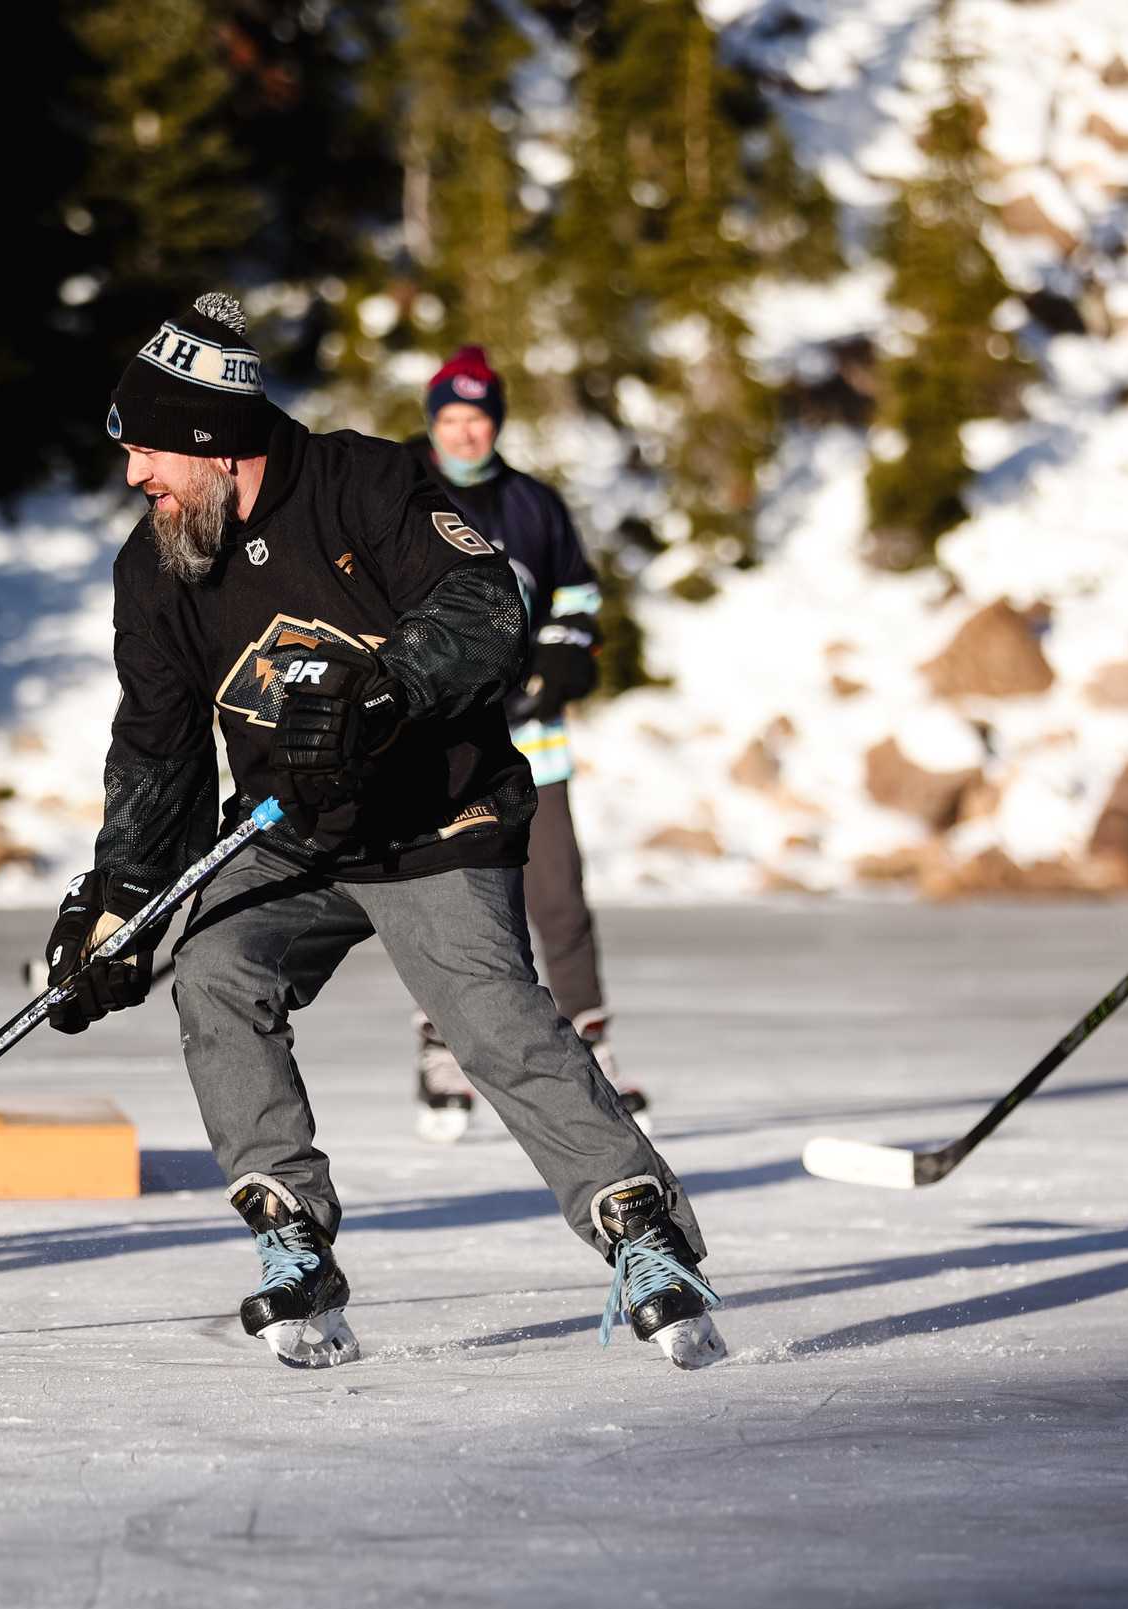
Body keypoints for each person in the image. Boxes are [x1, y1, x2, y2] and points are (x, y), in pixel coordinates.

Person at [40, 293, 724, 1370]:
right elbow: (156, 753)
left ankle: (641, 1233)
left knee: (486, 1017)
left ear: (217, 447)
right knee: (215, 974)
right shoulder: (158, 566)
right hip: (290, 832)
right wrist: (122, 902)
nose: (137, 478)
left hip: (435, 814)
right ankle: (291, 1240)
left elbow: (482, 607)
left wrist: (382, 696)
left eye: (154, 453)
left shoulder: (364, 483)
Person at [403, 345, 646, 1142]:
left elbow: (576, 591)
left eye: (478, 419)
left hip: (531, 739)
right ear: (432, 422)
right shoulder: (399, 490)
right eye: (451, 419)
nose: (466, 434)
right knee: (454, 896)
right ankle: (442, 1046)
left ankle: (591, 1042)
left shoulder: (534, 503)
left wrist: (563, 656)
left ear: (496, 423)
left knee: (558, 895)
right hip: (437, 745)